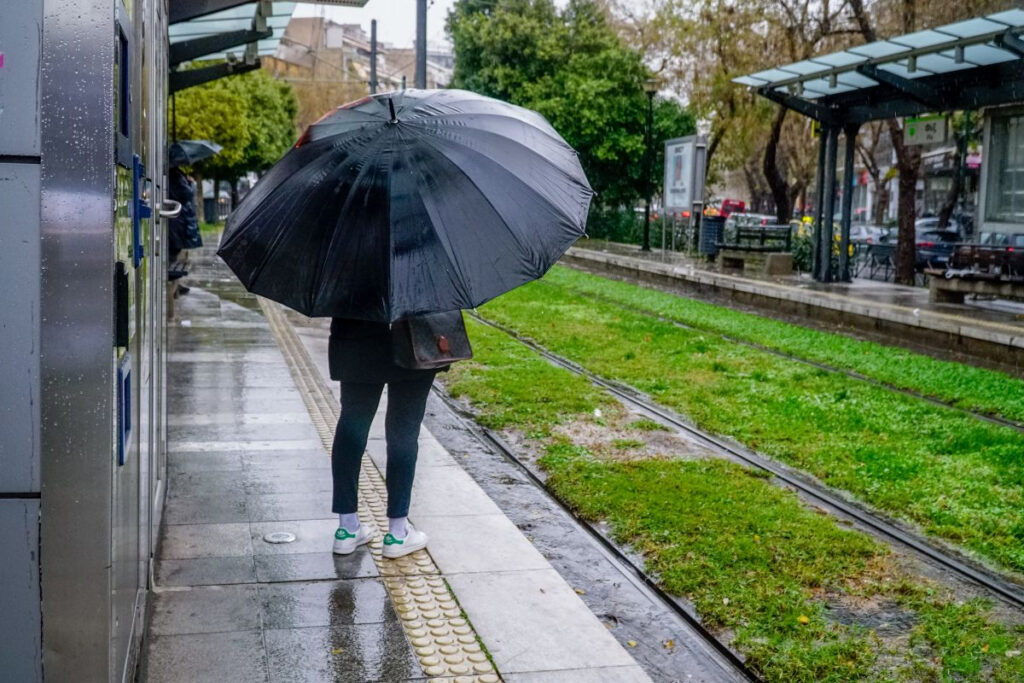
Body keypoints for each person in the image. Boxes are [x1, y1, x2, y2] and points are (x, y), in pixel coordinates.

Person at [328, 318, 440, 559]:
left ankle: (347, 529)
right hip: (414, 334)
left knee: (352, 424)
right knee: (404, 430)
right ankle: (398, 534)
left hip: (357, 336)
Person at [167, 165, 201, 295]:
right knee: (174, 250)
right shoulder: (175, 174)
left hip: (177, 219)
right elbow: (186, 193)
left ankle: (176, 284)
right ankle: (174, 285)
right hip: (177, 220)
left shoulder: (175, 173)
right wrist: (191, 184)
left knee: (175, 251)